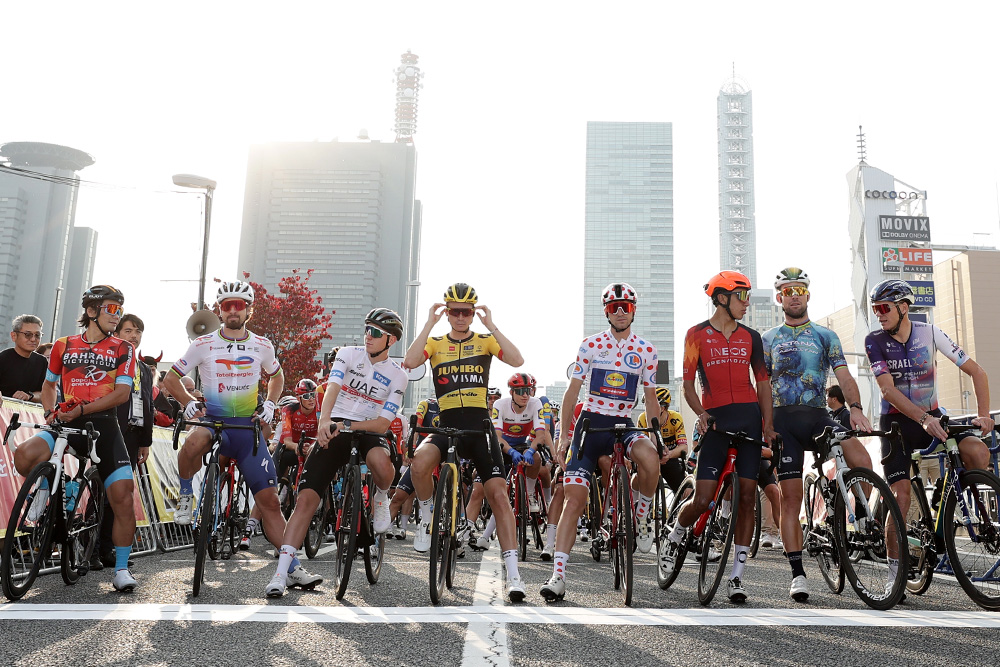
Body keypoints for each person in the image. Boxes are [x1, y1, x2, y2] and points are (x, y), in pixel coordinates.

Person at [163, 281, 321, 592]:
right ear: (218, 310)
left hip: (246, 428)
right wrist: (187, 401)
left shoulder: (262, 345)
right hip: (215, 420)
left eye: (239, 305)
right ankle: (184, 494)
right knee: (191, 443)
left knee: (270, 503)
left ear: (249, 309)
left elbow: (276, 376)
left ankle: (293, 568)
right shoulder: (203, 343)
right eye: (226, 305)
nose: (233, 310)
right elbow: (170, 377)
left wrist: (272, 404)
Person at [266, 308, 408, 597]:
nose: (368, 336)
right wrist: (324, 421)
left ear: (390, 340)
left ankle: (380, 496)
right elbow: (332, 388)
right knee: (305, 499)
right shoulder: (348, 353)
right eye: (366, 329)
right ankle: (282, 573)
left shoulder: (398, 374)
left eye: (376, 333)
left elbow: (382, 423)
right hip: (335, 425)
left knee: (381, 461)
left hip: (370, 430)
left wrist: (348, 423)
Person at [402, 282, 528, 602]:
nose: (460, 317)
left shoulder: (485, 341)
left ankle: (513, 575)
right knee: (418, 463)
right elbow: (410, 362)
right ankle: (429, 515)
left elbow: (517, 360)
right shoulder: (435, 343)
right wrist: (429, 323)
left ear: (473, 313)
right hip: (446, 426)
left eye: (466, 311)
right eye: (455, 311)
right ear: (447, 313)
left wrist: (491, 325)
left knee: (498, 494)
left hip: (479, 427)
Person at [12, 285, 140, 592]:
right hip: (65, 422)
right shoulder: (62, 344)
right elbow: (48, 386)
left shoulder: (123, 348)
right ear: (92, 311)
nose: (117, 315)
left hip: (103, 427)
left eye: (119, 310)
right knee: (24, 456)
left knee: (123, 499)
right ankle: (45, 487)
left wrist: (82, 408)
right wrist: (48, 411)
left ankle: (121, 568)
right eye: (111, 309)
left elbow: (122, 394)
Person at [540, 282, 660, 602]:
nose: (620, 312)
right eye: (613, 307)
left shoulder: (647, 350)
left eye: (626, 307)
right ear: (606, 312)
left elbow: (649, 399)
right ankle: (558, 575)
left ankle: (641, 515)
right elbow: (571, 393)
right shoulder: (590, 345)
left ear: (634, 309)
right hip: (590, 425)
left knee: (650, 460)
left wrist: (657, 430)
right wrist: (564, 437)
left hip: (624, 424)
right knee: (574, 499)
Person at [762, 267, 873, 602]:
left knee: (860, 457)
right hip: (783, 424)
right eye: (787, 290)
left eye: (800, 289)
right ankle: (797, 573)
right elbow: (761, 386)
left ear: (807, 295)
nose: (794, 295)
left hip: (817, 417)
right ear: (780, 297)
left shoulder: (825, 336)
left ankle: (847, 512)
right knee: (791, 498)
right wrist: (763, 424)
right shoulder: (767, 339)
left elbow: (844, 373)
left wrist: (855, 407)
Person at [662, 271, 774, 604]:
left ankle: (737, 577)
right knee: (702, 499)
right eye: (742, 296)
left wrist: (768, 424)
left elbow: (763, 382)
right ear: (722, 297)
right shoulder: (695, 334)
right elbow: (686, 384)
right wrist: (700, 413)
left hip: (749, 418)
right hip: (715, 419)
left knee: (747, 498)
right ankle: (676, 535)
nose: (747, 303)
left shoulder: (752, 337)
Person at [864, 279, 994, 562]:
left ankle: (944, 506)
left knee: (978, 451)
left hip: (931, 417)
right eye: (875, 309)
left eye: (884, 307)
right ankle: (893, 572)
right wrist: (923, 418)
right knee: (900, 499)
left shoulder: (930, 333)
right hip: (896, 426)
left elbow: (978, 372)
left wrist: (984, 414)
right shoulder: (874, 341)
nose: (879, 313)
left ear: (903, 307)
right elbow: (887, 390)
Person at [92, 313, 155, 570]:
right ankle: (90, 550)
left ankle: (107, 550)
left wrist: (145, 441)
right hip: (106, 431)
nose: (134, 336)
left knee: (119, 497)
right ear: (116, 334)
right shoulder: (108, 360)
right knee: (99, 493)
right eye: (128, 331)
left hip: (131, 435)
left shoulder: (142, 369)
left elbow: (148, 406)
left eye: (138, 331)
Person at [474, 372, 553, 552]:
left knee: (536, 459)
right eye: (521, 391)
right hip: (504, 445)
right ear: (512, 392)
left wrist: (531, 450)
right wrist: (510, 452)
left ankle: (530, 493)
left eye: (529, 390)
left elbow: (541, 434)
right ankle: (485, 536)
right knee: (504, 492)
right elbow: (497, 437)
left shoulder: (535, 403)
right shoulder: (500, 405)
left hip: (524, 443)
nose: (526, 394)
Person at [242, 379, 319, 551]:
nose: (311, 399)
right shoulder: (289, 410)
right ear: (298, 398)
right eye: (306, 396)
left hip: (312, 447)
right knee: (268, 488)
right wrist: (299, 447)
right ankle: (249, 529)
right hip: (291, 448)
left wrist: (312, 447)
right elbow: (288, 440)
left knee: (323, 477)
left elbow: (322, 433)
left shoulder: (320, 408)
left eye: (313, 395)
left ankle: (326, 522)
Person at [390, 396, 440, 540]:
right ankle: (377, 540)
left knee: (437, 498)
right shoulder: (426, 404)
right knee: (398, 496)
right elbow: (415, 429)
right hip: (422, 455)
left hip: (442, 458)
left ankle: (433, 530)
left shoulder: (454, 405)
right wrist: (411, 450)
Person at [637, 387, 688, 493]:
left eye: (649, 404)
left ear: (663, 408)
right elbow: (641, 445)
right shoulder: (642, 418)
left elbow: (684, 448)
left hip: (669, 458)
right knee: (635, 479)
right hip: (650, 459)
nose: (647, 408)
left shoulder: (675, 418)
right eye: (646, 404)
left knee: (687, 491)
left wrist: (669, 455)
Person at [0, 314, 48, 403]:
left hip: (28, 414)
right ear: (14, 336)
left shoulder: (41, 361)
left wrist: (29, 395)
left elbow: (44, 394)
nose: (33, 339)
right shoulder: (3, 358)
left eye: (37, 335)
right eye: (28, 334)